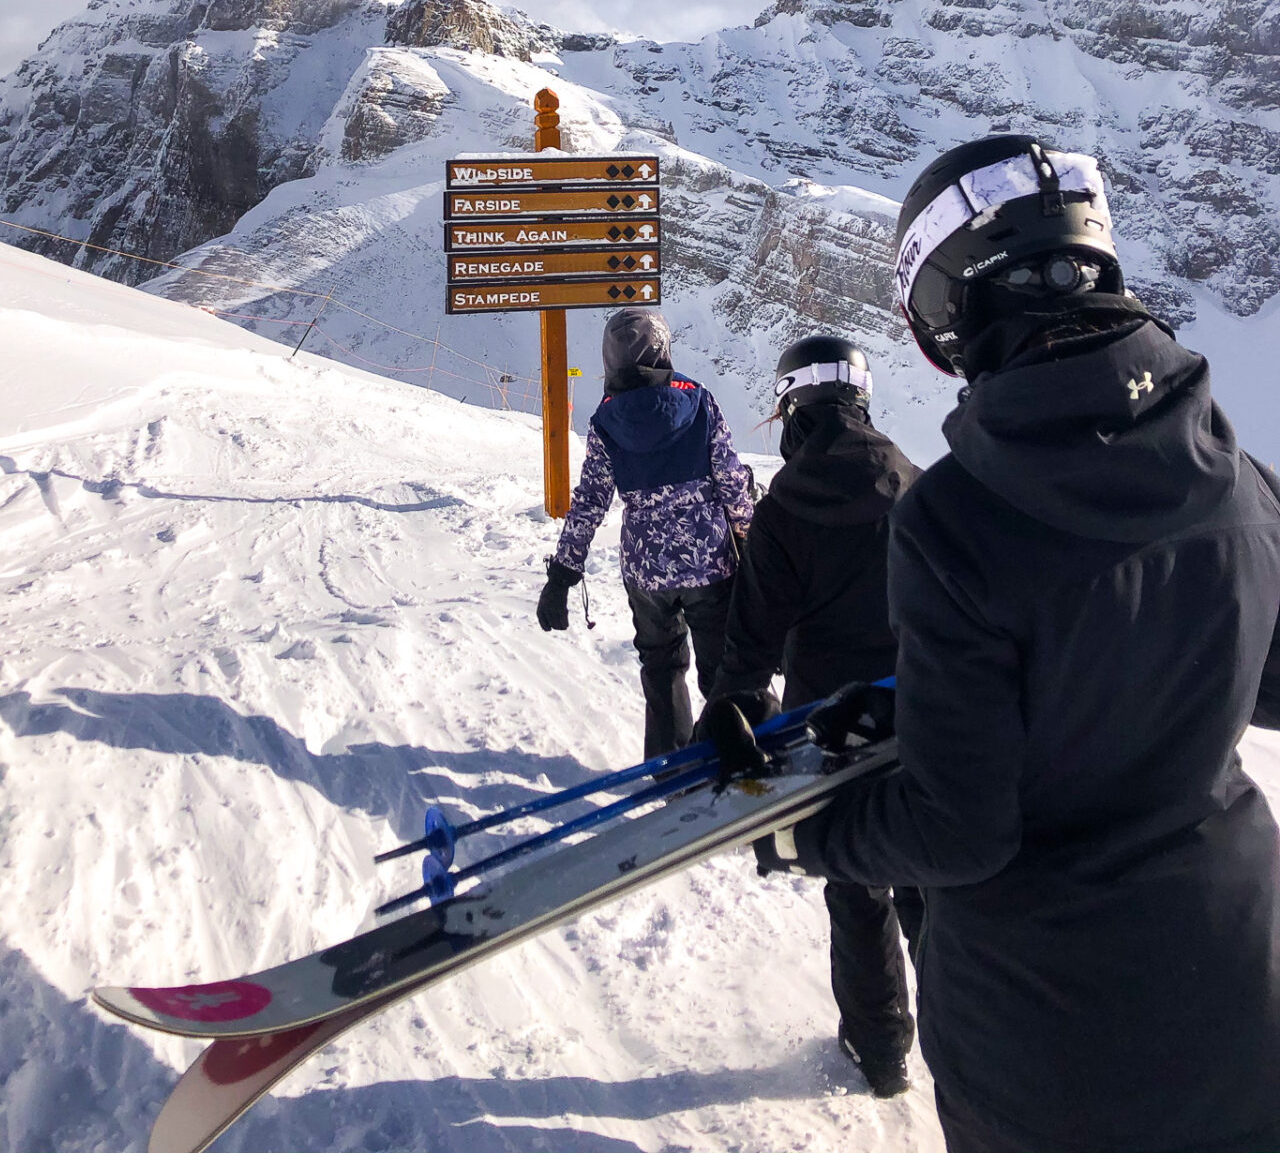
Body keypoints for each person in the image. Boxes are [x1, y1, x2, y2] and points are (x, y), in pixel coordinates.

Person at [711, 134, 1280, 1153]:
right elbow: (1203, 662)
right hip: (1245, 990)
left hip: (1053, 1039)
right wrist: (925, 698)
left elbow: (957, 833)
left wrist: (804, 836)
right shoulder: (1239, 476)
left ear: (950, 313)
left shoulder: (960, 519)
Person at [699, 334, 923, 1099]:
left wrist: (731, 721)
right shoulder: (915, 482)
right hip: (922, 716)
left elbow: (749, 644)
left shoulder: (786, 507)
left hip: (826, 732)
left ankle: (881, 1049)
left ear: (793, 405)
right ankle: (971, 1055)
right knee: (935, 884)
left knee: (858, 887)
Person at [536, 308, 753, 757]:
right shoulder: (698, 400)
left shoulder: (605, 418)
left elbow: (590, 499)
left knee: (660, 666)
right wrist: (751, 541)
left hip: (646, 571)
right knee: (722, 666)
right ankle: (734, 752)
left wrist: (563, 573)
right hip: (709, 562)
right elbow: (732, 481)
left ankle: (670, 767)